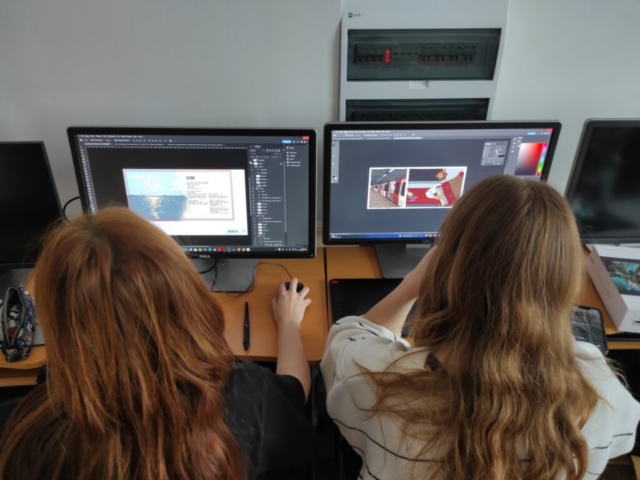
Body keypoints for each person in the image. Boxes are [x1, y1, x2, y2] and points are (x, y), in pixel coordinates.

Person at [321, 175, 640, 480]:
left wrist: (411, 285)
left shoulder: (379, 382)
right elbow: (622, 440)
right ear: (564, 281)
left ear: (444, 268)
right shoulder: (602, 395)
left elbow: (348, 335)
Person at [0, 207, 313, 480]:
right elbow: (295, 391)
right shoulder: (244, 395)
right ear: (187, 297)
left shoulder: (23, 434)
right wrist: (288, 324)